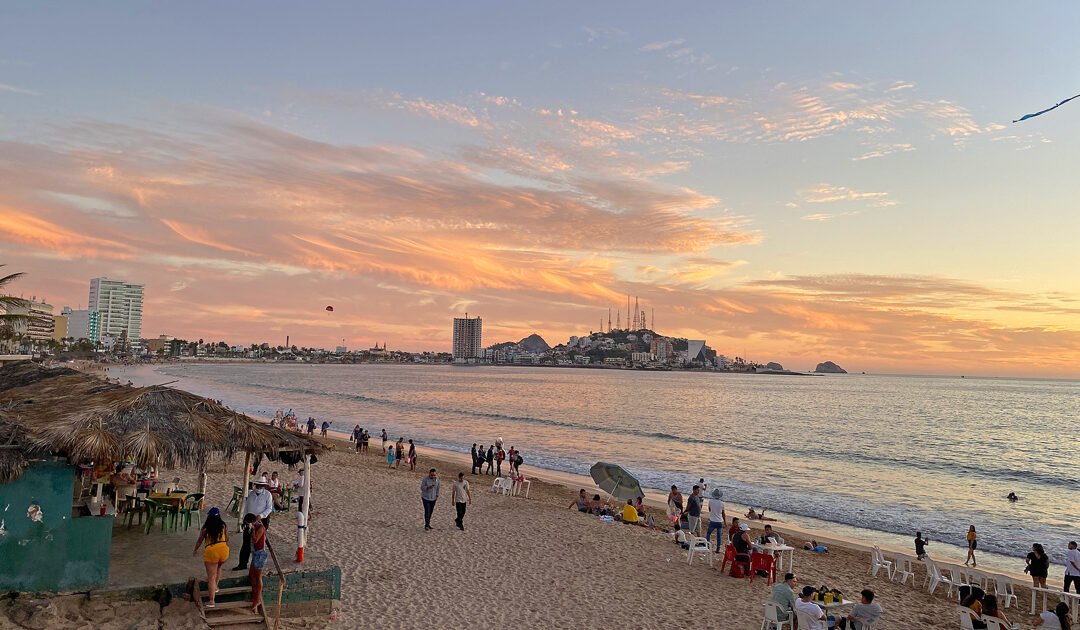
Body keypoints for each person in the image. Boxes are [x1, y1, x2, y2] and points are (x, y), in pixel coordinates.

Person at [192, 508, 229, 608]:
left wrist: (195, 550)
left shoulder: (206, 528)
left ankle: (211, 601)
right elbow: (227, 538)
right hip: (224, 549)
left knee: (211, 577)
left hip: (211, 551)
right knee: (219, 568)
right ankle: (216, 587)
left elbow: (200, 541)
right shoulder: (223, 525)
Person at [234, 477, 273, 570]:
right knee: (246, 543)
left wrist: (261, 515)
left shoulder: (268, 495)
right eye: (258, 485)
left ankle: (257, 564)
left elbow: (269, 508)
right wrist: (244, 520)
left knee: (258, 543)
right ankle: (242, 564)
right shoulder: (251, 494)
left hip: (261, 521)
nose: (259, 487)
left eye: (261, 486)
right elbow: (246, 507)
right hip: (249, 520)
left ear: (264, 486)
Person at [244, 513, 267, 615]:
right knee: (252, 575)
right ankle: (255, 597)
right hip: (255, 553)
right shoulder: (257, 524)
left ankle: (257, 600)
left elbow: (255, 539)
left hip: (260, 554)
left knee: (258, 578)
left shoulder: (260, 528)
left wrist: (252, 530)